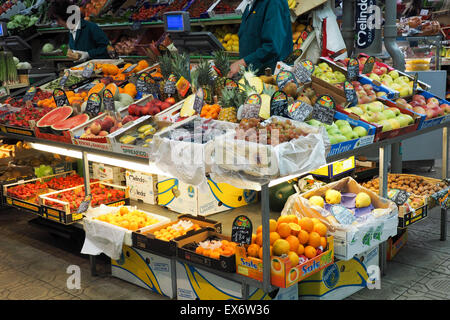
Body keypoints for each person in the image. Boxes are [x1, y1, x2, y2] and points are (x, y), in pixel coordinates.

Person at [228, 0, 293, 78]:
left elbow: (272, 47)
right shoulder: (251, 4)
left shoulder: (274, 2)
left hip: (271, 76)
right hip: (254, 74)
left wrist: (243, 62)